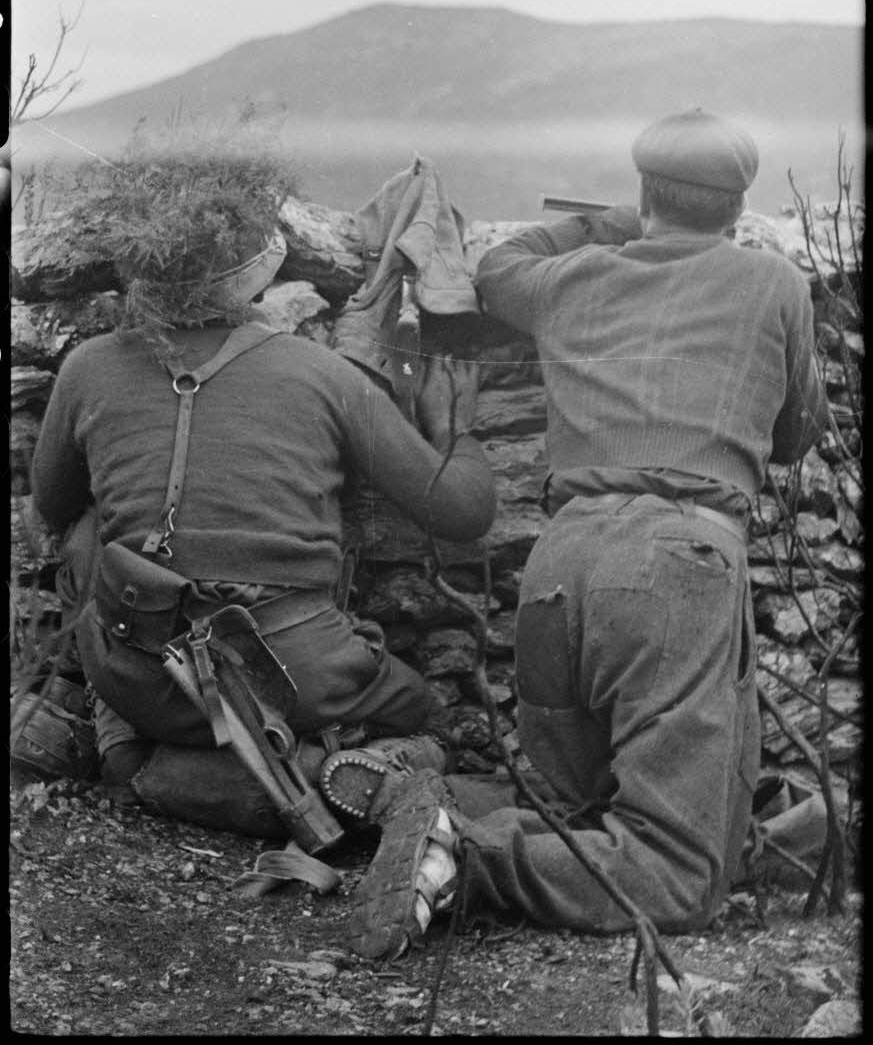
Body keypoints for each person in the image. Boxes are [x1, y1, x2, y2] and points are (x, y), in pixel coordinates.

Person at [348, 108, 830, 958]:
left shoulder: (574, 277)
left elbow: (498, 264)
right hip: (676, 563)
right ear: (734, 208)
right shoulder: (772, 284)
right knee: (680, 878)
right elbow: (796, 435)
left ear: (644, 193)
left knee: (582, 816)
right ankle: (466, 855)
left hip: (560, 563)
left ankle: (427, 804)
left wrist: (606, 223)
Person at [28, 180, 496, 841]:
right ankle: (341, 776)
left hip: (144, 676)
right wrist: (455, 431)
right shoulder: (323, 373)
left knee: (87, 531)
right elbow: (464, 512)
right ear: (259, 277)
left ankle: (142, 759)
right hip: (299, 676)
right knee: (411, 700)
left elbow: (49, 509)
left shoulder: (87, 366)